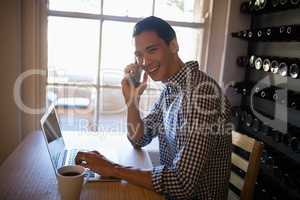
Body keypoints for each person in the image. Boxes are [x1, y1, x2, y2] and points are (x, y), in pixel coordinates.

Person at [75, 16, 232, 200]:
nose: (145, 62)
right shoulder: (172, 89)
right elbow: (139, 139)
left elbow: (182, 185)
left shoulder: (200, 94)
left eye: (151, 50)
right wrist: (132, 102)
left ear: (173, 45)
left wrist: (113, 169)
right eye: (139, 55)